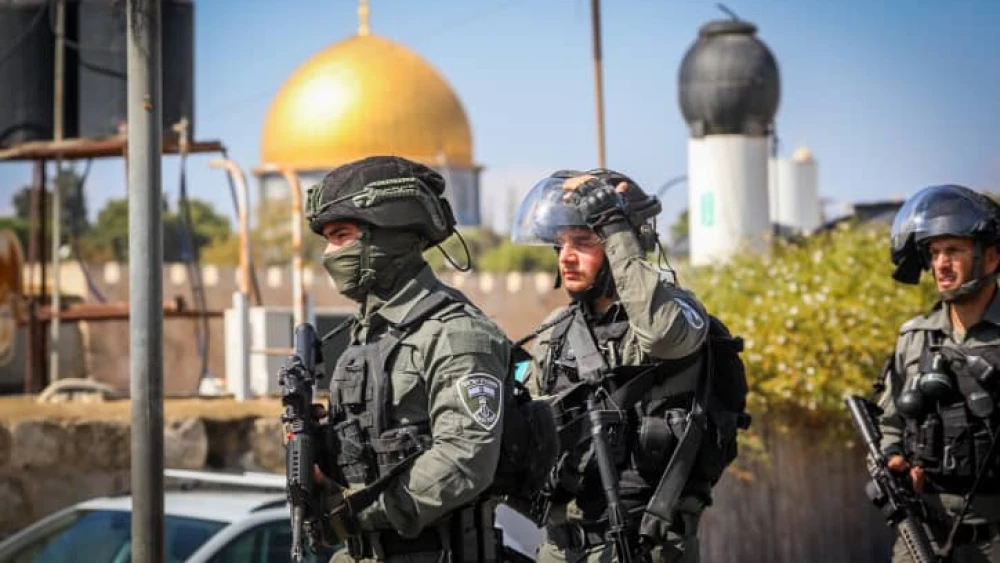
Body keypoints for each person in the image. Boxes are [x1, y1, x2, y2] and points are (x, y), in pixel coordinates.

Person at [305, 155, 511, 562]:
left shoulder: (456, 333)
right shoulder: (364, 337)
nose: (329, 253)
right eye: (326, 238)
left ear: (388, 234)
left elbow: (466, 458)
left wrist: (357, 513)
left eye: (341, 235)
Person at [510, 168, 715, 562]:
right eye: (560, 243)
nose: (566, 257)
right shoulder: (557, 331)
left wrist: (615, 227)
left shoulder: (678, 312)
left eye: (584, 242)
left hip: (646, 544)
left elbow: (660, 335)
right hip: (562, 546)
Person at [879, 184, 1000, 562]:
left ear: (992, 258)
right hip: (925, 530)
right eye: (934, 253)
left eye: (954, 251)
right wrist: (894, 458)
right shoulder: (914, 338)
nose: (941, 265)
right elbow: (891, 422)